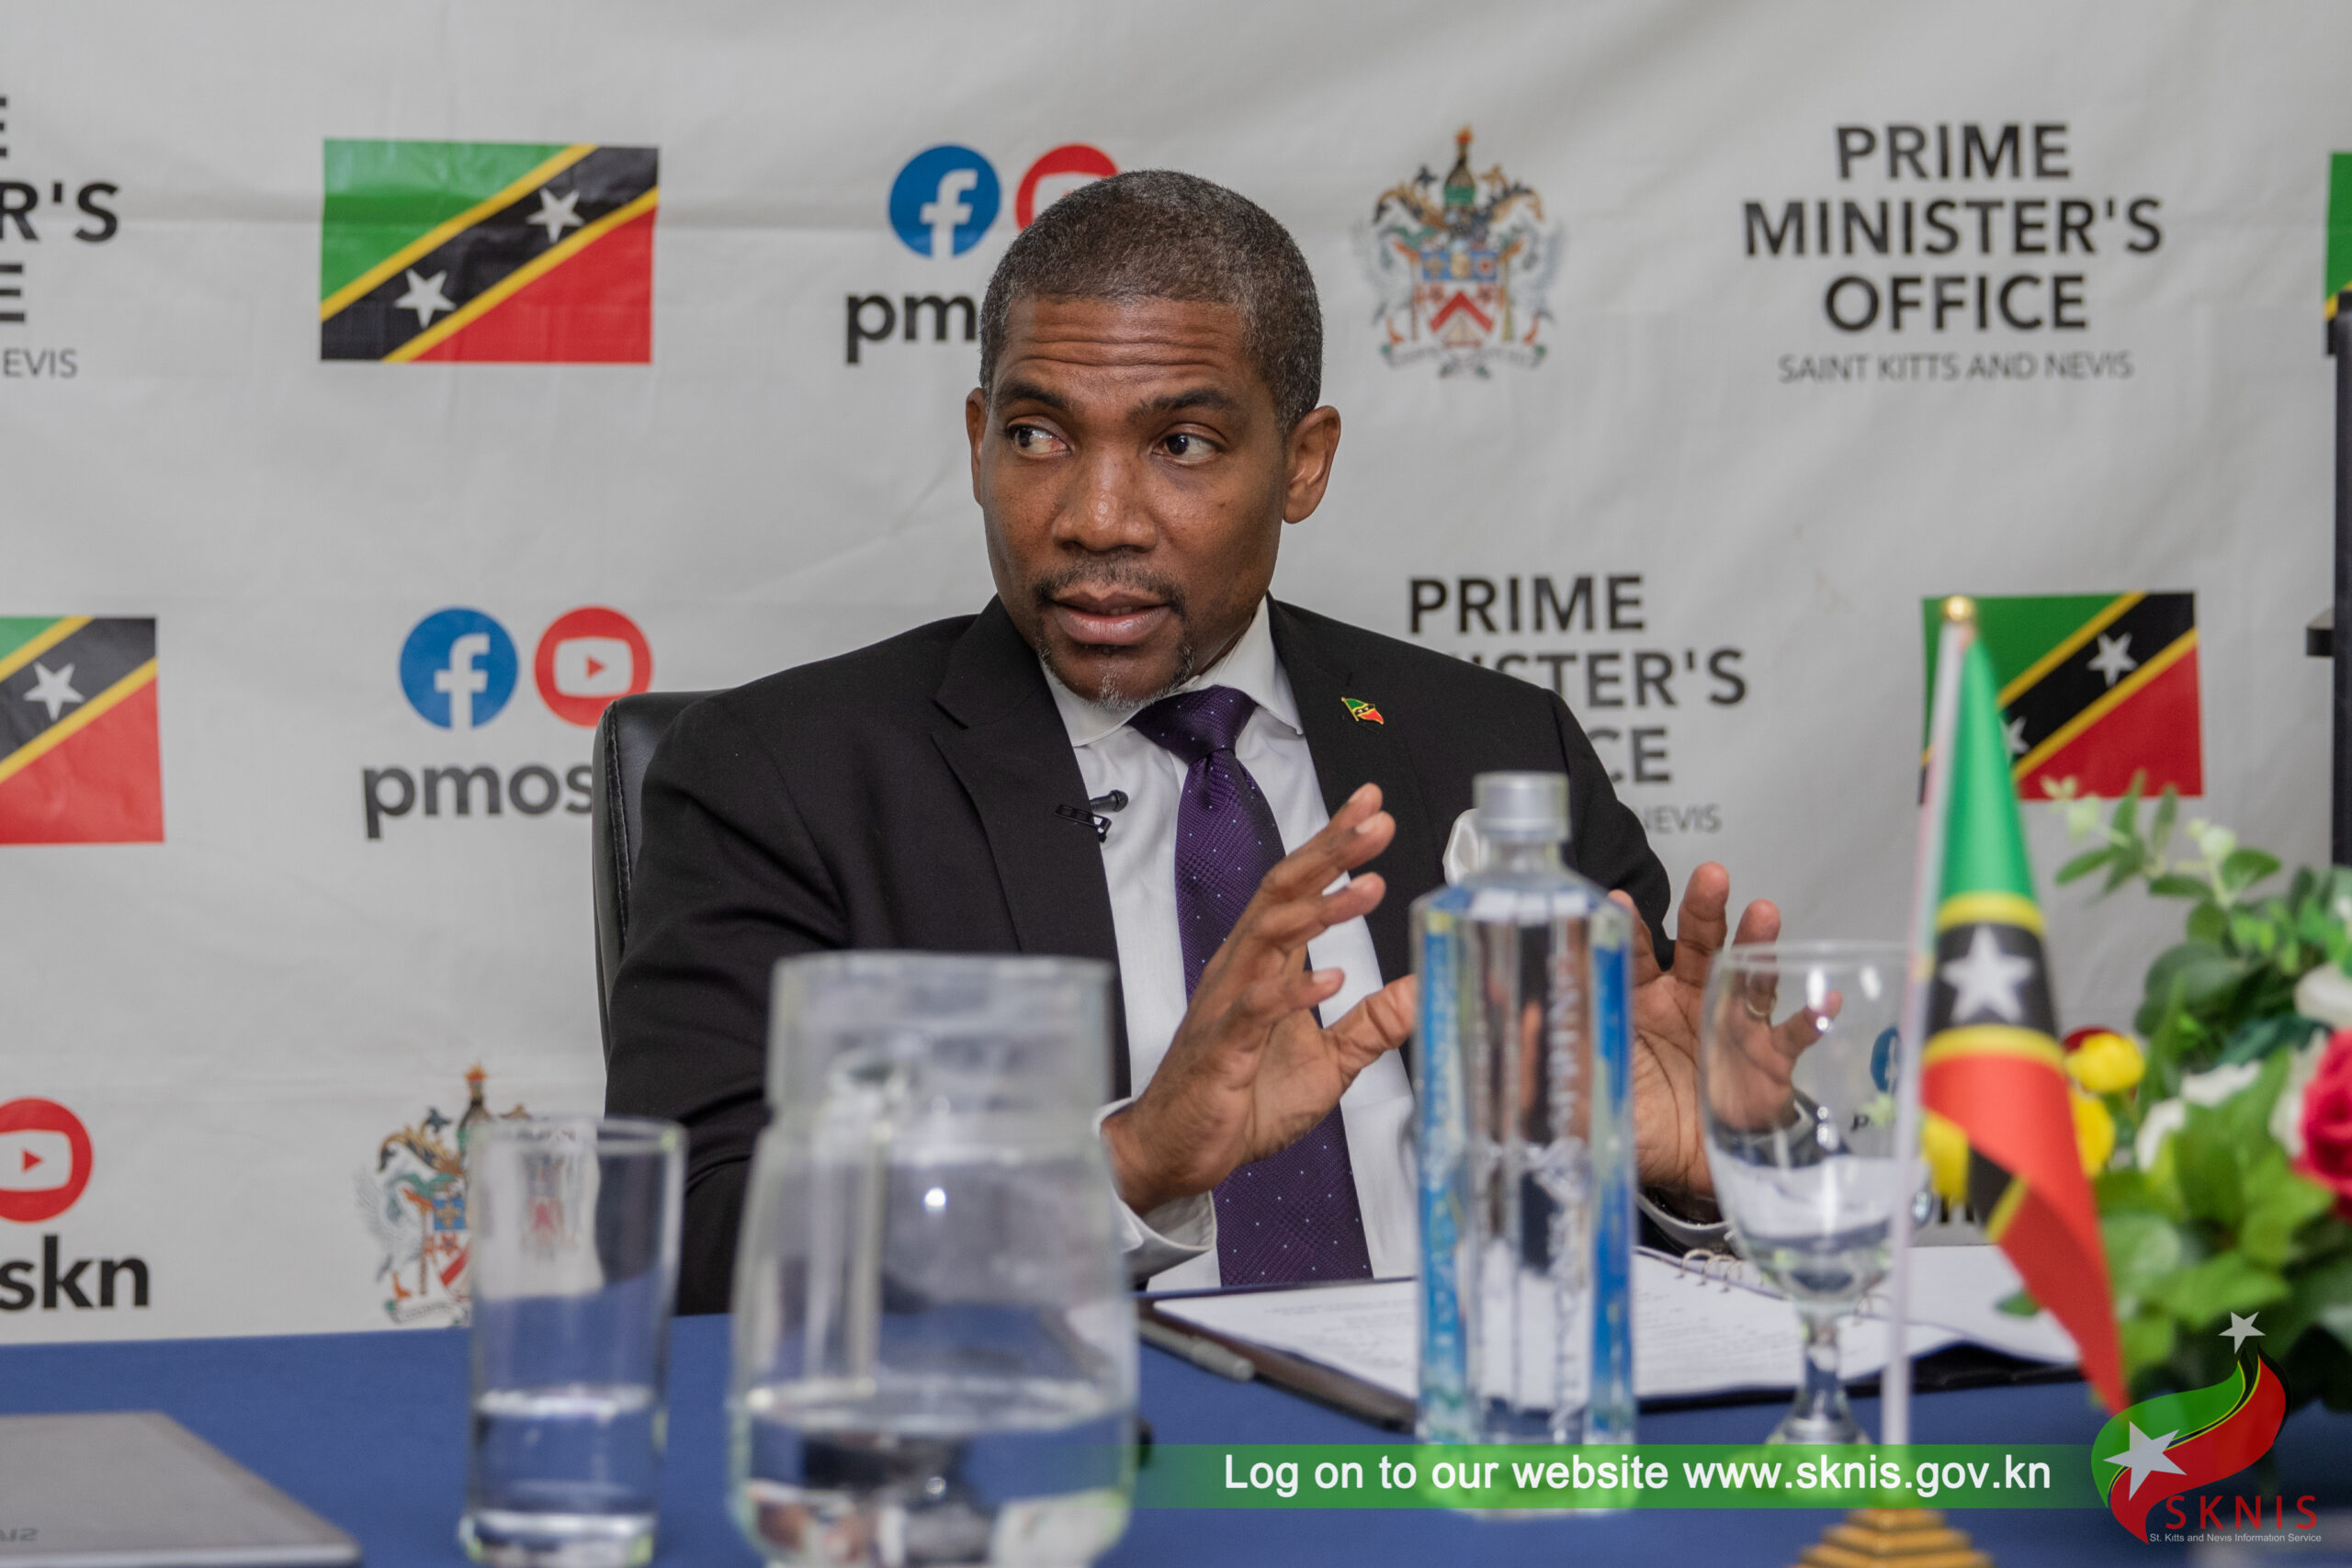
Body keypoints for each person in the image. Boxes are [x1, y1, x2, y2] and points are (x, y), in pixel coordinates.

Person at [605, 171, 1779, 1313]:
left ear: (1303, 462)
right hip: (1080, 1429)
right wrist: (1122, 1165)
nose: (1095, 519)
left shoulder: (1498, 746)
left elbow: (1624, 1212)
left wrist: (1698, 1174)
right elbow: (684, 1238)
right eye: (1037, 434)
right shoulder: (783, 777)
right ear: (976, 441)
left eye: (1181, 445)